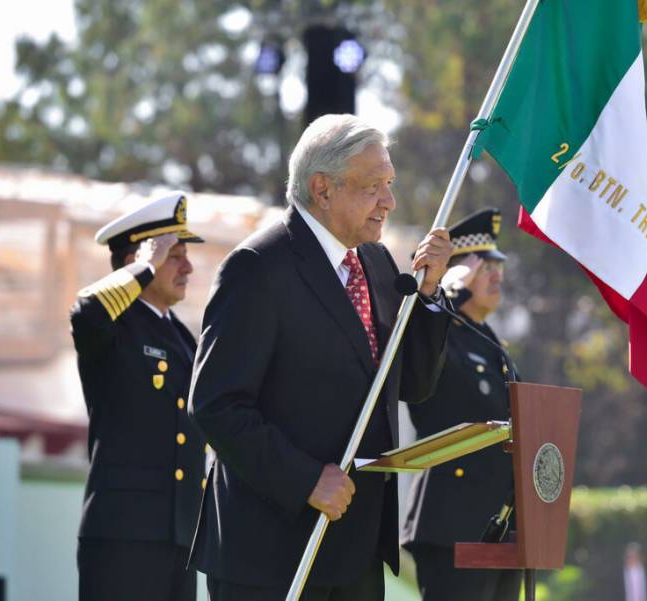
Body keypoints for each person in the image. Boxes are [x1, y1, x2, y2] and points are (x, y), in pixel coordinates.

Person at [187, 114, 454, 600]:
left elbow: (411, 385)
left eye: (390, 184)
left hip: (355, 552)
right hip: (270, 556)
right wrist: (305, 479)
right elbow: (216, 406)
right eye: (374, 186)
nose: (389, 202)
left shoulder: (375, 262)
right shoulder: (256, 268)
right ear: (322, 188)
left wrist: (431, 295)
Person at [70, 193, 208, 601]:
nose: (187, 267)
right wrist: (145, 267)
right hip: (122, 537)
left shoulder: (182, 337)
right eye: (173, 255)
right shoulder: (114, 325)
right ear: (138, 260)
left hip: (179, 540)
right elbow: (86, 311)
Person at [402, 208, 521, 601]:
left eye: (497, 264)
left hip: (500, 527)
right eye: (483, 265)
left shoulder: (491, 344)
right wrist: (445, 293)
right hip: (453, 525)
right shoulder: (439, 330)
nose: (496, 274)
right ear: (458, 273)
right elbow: (422, 380)